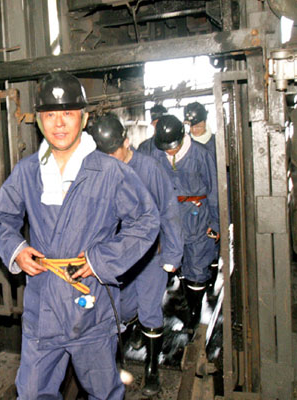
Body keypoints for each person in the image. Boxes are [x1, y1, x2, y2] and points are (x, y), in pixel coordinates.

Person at [0, 71, 161, 400]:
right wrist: (16, 249)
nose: (59, 123)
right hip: (44, 304)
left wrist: (101, 260)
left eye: (67, 113)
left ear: (83, 118)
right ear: (39, 121)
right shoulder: (27, 171)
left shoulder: (110, 172)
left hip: (91, 304)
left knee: (103, 393)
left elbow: (146, 220)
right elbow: (5, 218)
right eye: (50, 114)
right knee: (32, 393)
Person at [90, 113, 183, 397]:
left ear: (127, 142)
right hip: (118, 257)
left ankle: (152, 370)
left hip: (149, 256)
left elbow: (169, 210)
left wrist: (173, 254)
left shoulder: (150, 169)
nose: (110, 159)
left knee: (149, 310)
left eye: (114, 152)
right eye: (105, 154)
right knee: (119, 309)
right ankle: (119, 355)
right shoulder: (100, 170)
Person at [139, 114, 219, 334]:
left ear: (183, 136)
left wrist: (216, 223)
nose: (170, 152)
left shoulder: (201, 155)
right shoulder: (153, 152)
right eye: (166, 148)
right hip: (166, 217)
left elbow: (214, 190)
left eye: (173, 147)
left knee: (197, 266)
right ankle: (155, 313)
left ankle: (194, 314)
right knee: (166, 263)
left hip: (196, 216)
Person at [184, 101, 219, 289]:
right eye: (191, 126)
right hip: (191, 211)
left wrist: (217, 219)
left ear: (206, 121)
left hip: (211, 203)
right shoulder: (182, 146)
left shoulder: (216, 144)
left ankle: (211, 275)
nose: (195, 130)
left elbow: (218, 185)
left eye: (198, 125)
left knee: (211, 248)